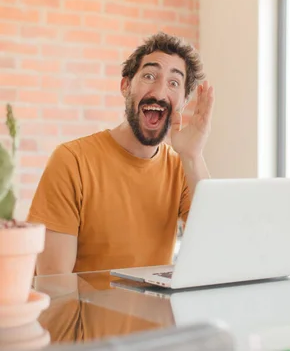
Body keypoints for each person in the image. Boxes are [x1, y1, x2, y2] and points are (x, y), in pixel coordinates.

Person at [27, 32, 214, 275]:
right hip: (84, 314)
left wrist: (193, 156)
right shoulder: (72, 161)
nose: (159, 92)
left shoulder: (182, 167)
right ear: (125, 86)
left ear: (183, 102)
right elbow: (55, 284)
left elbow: (215, 252)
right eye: (149, 76)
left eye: (174, 83)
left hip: (156, 314)